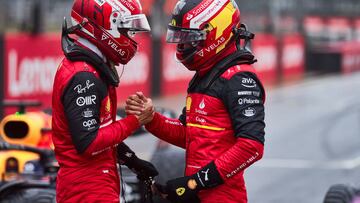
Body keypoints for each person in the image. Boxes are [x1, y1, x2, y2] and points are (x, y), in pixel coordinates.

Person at [125, 0, 266, 202]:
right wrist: (150, 118)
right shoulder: (205, 75)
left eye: (189, 39)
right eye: (180, 38)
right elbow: (189, 134)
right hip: (197, 194)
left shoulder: (240, 79)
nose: (182, 46)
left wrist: (194, 183)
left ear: (215, 34)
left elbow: (251, 146)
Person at [52, 0, 158, 202]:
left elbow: (100, 134)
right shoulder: (84, 76)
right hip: (87, 189)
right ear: (108, 26)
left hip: (94, 183)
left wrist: (131, 160)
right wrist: (135, 120)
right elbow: (89, 143)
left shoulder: (90, 66)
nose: (131, 37)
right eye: (126, 30)